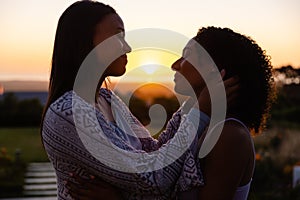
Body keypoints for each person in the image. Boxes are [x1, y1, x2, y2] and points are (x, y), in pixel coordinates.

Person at [41, 1, 238, 199]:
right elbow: (154, 178)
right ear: (84, 41)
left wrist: (195, 102)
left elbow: (155, 151)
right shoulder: (70, 113)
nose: (127, 48)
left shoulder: (108, 101)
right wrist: (200, 112)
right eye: (118, 36)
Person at [66, 27, 275, 199]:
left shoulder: (229, 135)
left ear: (213, 71)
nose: (175, 65)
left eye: (186, 57)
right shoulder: (193, 124)